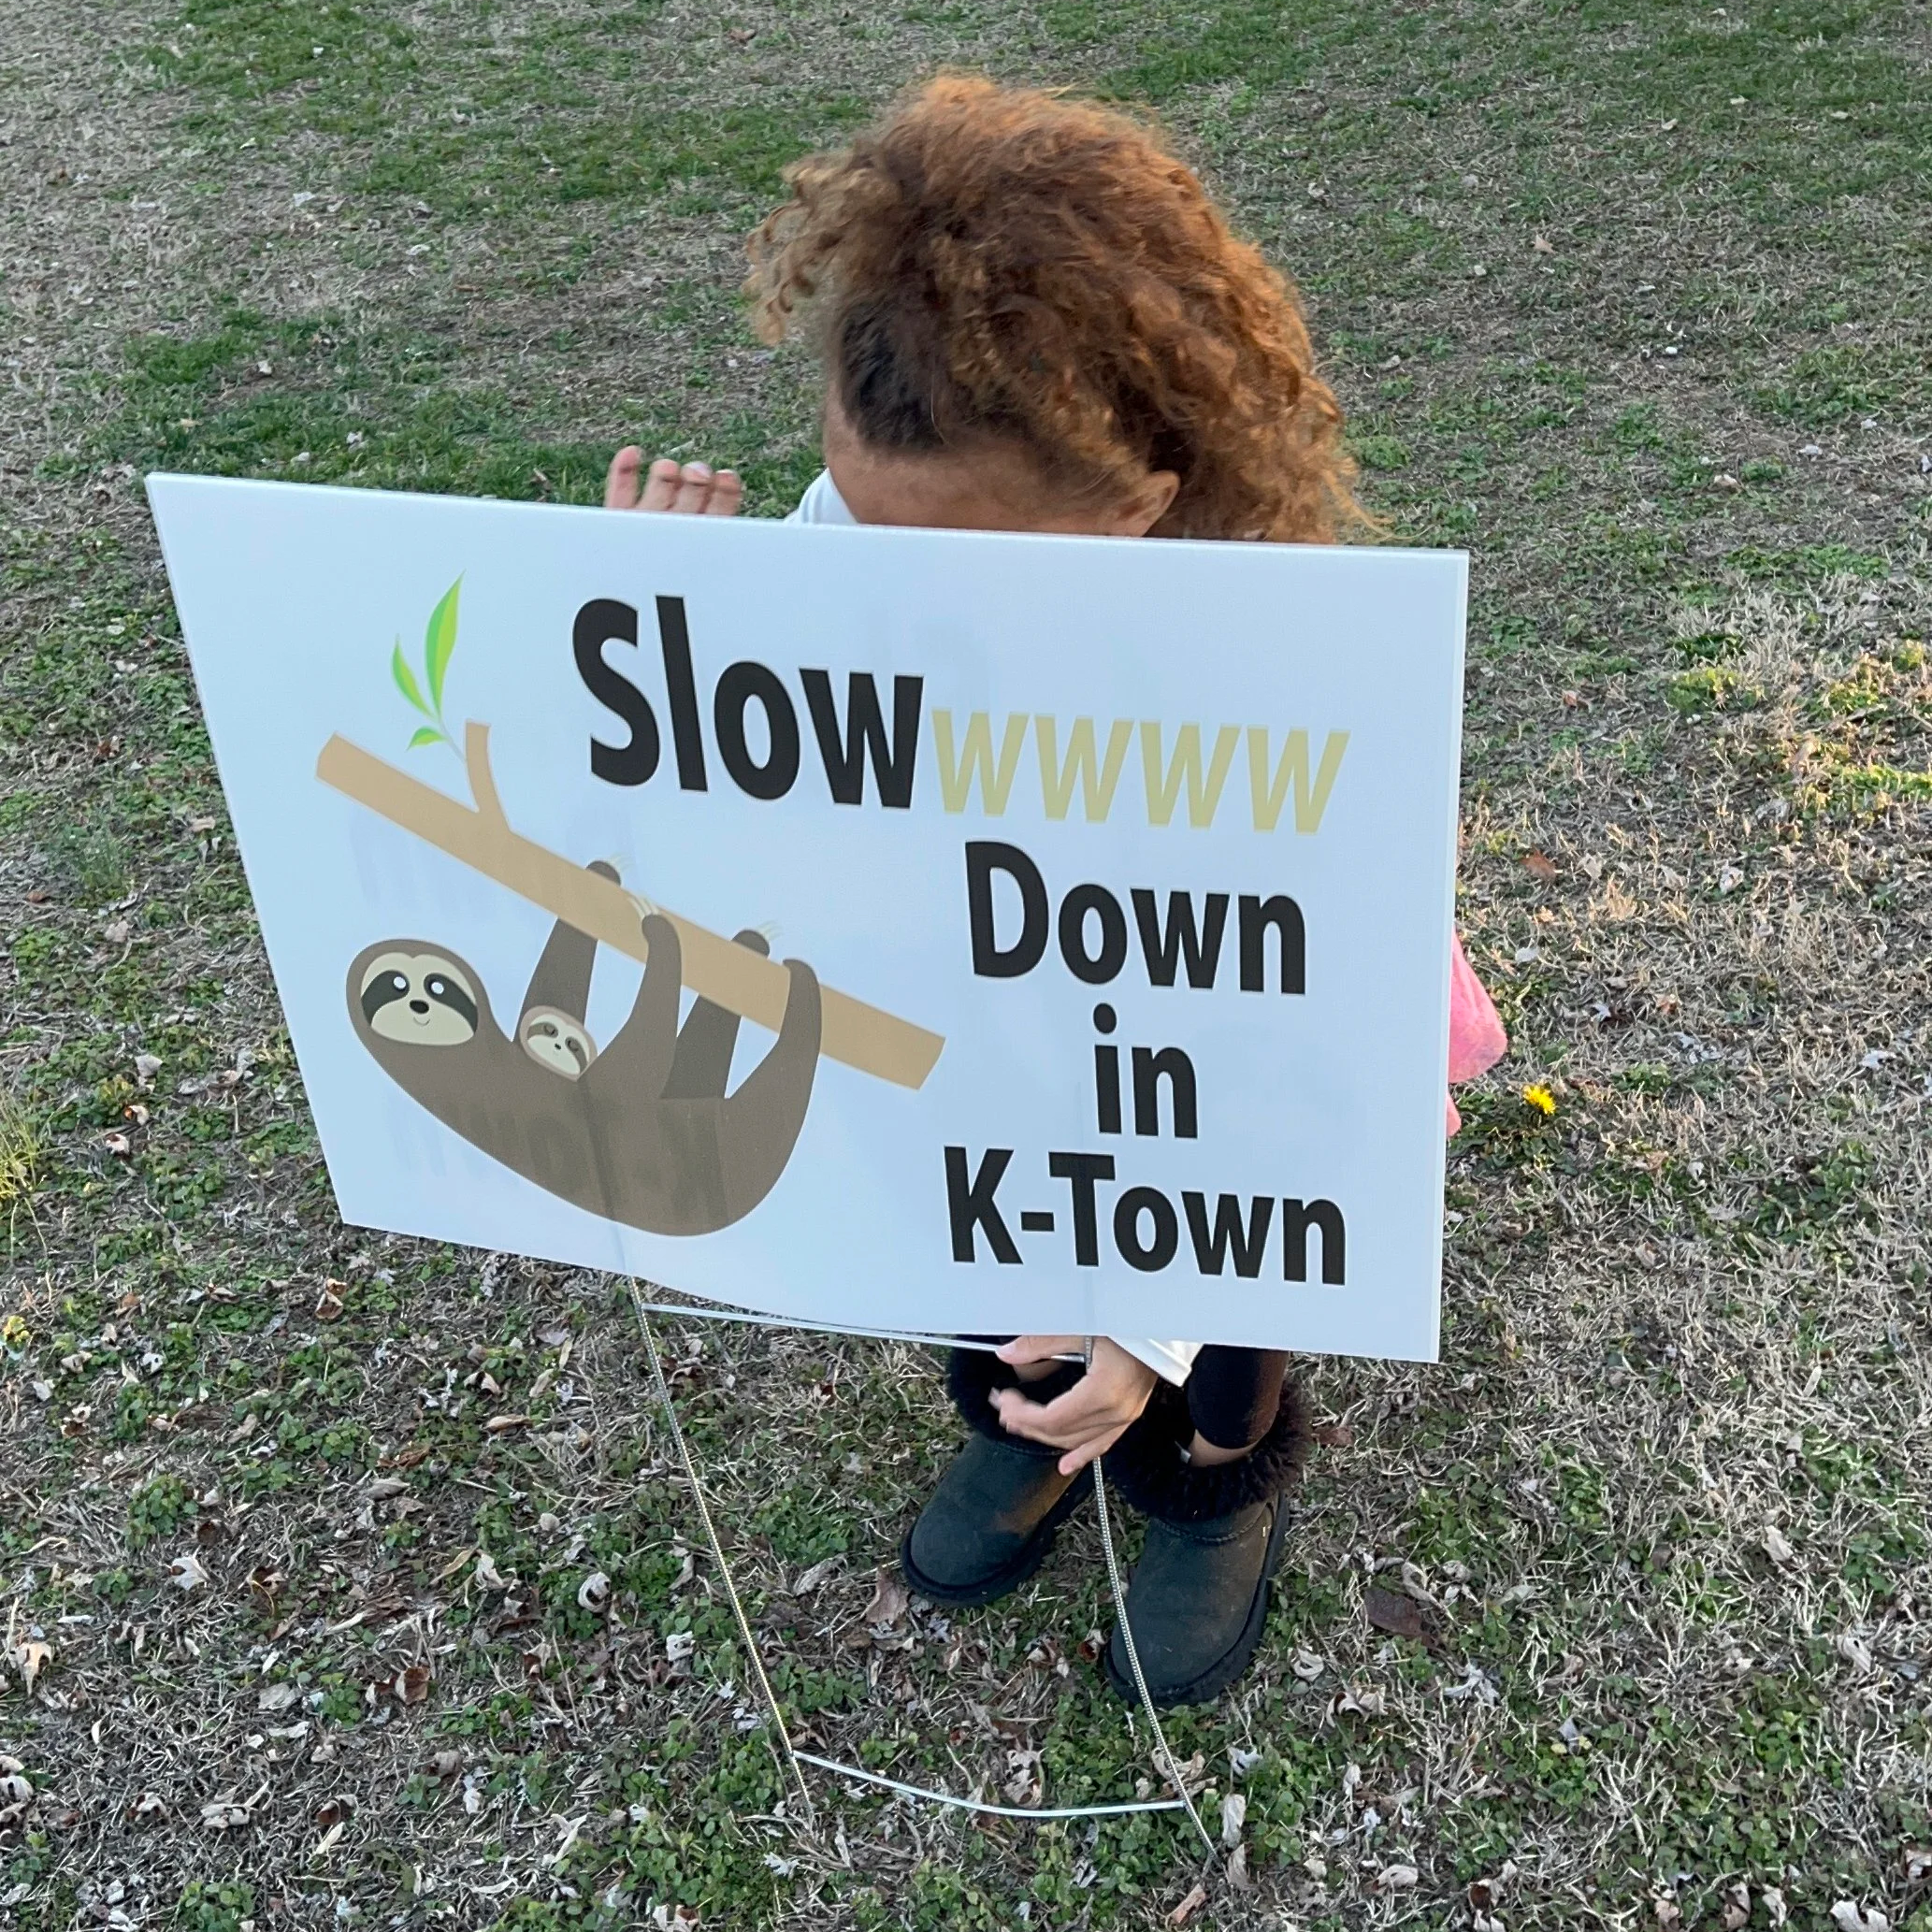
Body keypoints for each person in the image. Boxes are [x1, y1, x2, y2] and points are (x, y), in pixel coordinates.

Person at [605, 76, 1507, 1706]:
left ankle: (1211, 1478)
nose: (893, 592)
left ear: (1144, 496)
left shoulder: (1291, 689)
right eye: (860, 524)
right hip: (981, 999)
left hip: (1226, 1067)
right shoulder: (891, 512)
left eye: (949, 564)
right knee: (988, 1195)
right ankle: (1024, 1408)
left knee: (1225, 1310)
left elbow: (1275, 1087)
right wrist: (673, 635)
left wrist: (1155, 1333)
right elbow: (789, 708)